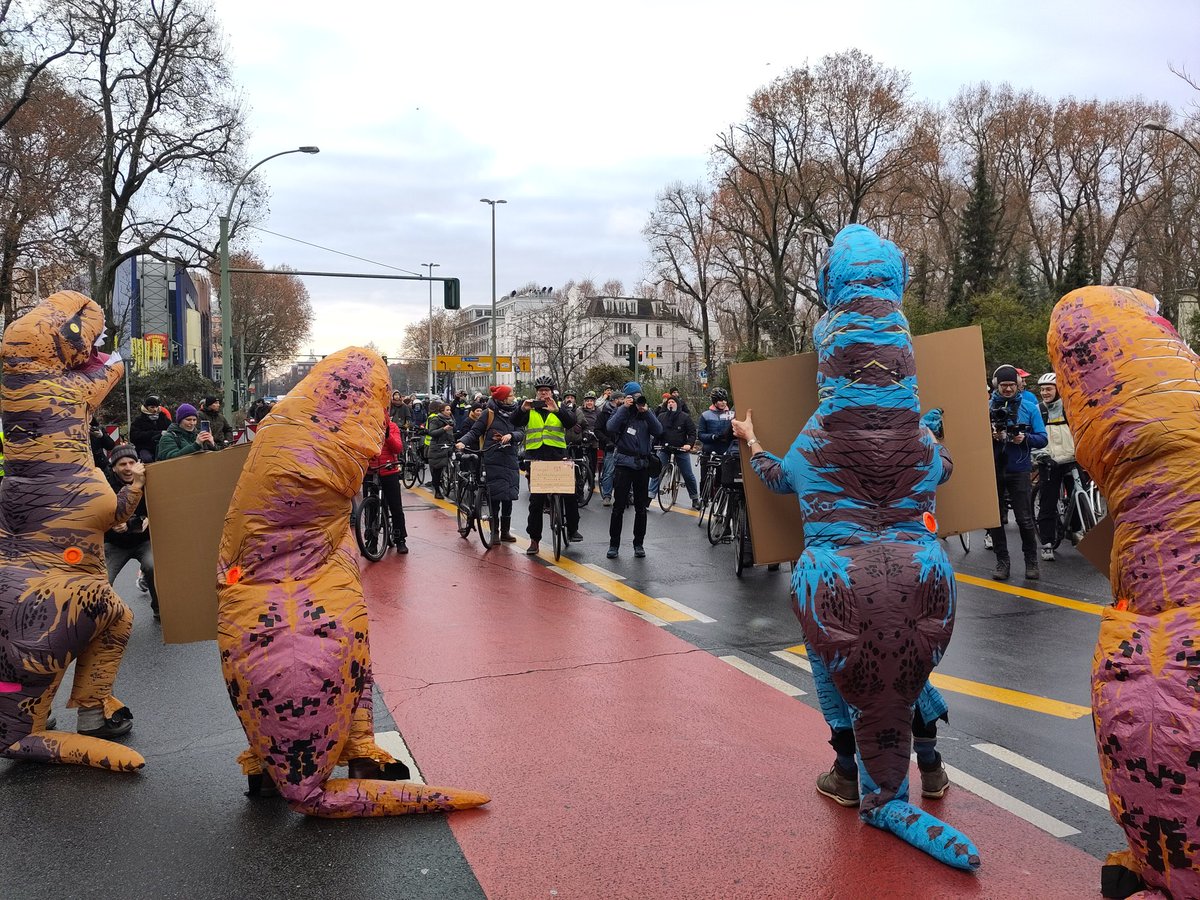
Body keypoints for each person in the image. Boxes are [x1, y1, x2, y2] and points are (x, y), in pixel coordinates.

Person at [987, 364, 1047, 581]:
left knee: (1024, 518)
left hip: (1019, 468)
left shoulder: (1029, 407)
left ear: (1019, 385)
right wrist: (990, 436)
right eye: (1004, 385)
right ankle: (1002, 561)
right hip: (993, 468)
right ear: (996, 385)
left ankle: (1031, 561)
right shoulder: (986, 407)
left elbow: (1043, 437)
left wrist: (1025, 439)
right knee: (994, 519)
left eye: (1012, 385)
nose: (1008, 389)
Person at [515, 375, 581, 554]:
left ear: (552, 392)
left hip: (558, 456)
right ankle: (534, 540)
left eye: (547, 390)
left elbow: (571, 423)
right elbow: (514, 422)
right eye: (540, 391)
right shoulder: (529, 408)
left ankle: (573, 529)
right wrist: (522, 410)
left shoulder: (560, 407)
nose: (543, 393)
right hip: (536, 458)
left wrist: (557, 410)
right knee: (536, 502)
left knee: (569, 494)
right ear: (536, 393)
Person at [455, 384, 523, 543]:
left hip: (510, 458)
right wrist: (462, 442)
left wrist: (512, 435)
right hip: (493, 459)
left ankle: (505, 532)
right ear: (503, 398)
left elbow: (521, 432)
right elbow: (474, 432)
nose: (513, 397)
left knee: (509, 497)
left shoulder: (516, 412)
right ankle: (494, 532)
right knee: (495, 497)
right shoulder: (488, 413)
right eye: (511, 394)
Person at [605, 381, 663, 558]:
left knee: (640, 508)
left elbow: (659, 430)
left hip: (642, 465)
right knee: (619, 507)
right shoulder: (621, 412)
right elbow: (610, 427)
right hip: (623, 464)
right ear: (627, 398)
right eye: (633, 397)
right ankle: (614, 545)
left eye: (638, 396)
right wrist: (624, 408)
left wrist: (646, 412)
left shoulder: (646, 413)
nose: (637, 400)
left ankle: (639, 544)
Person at [104, 446, 158, 617]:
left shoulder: (150, 480)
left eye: (131, 462)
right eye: (122, 464)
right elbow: (102, 517)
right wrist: (113, 526)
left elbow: (158, 509)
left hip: (143, 541)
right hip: (114, 543)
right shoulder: (105, 486)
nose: (128, 468)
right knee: (101, 579)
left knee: (152, 566)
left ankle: (159, 608)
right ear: (114, 467)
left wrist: (142, 521)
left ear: (138, 464)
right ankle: (102, 616)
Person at [1034, 372, 1077, 562]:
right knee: (1048, 503)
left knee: (1078, 495)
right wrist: (1041, 456)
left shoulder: (1070, 409)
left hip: (1072, 458)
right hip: (1049, 462)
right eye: (1042, 389)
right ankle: (1047, 543)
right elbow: (1034, 437)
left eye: (1048, 389)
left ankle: (1076, 531)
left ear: (1058, 390)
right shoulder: (1039, 411)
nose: (1045, 392)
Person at [649, 396, 700, 508]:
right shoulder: (662, 417)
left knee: (687, 474)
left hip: (681, 449)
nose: (670, 404)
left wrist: (688, 444)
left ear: (677, 404)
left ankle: (695, 498)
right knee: (657, 471)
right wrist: (654, 446)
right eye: (669, 402)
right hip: (665, 448)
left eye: (673, 402)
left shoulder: (685, 417)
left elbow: (692, 433)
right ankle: (649, 496)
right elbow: (657, 432)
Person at [368, 416, 408, 554]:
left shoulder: (392, 427)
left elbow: (397, 448)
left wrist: (387, 435)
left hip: (389, 470)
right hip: (371, 471)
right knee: (371, 509)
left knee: (395, 507)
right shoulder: (366, 425)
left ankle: (400, 539)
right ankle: (371, 540)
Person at [698, 387, 736, 490]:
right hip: (709, 450)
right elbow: (700, 435)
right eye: (720, 400)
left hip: (724, 450)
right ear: (714, 402)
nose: (723, 402)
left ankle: (718, 494)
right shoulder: (705, 415)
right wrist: (713, 437)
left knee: (722, 479)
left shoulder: (731, 415)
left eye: (724, 400)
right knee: (704, 478)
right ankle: (703, 499)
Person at [596, 389, 624, 505]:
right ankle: (607, 495)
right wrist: (607, 441)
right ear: (616, 400)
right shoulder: (604, 413)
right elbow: (597, 430)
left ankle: (626, 495)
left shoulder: (625, 412)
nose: (623, 401)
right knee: (609, 472)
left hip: (623, 447)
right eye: (622, 399)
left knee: (624, 473)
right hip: (611, 447)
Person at [423, 401, 456, 500]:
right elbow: (432, 432)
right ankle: (437, 490)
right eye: (447, 410)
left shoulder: (451, 419)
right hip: (438, 446)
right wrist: (444, 429)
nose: (449, 412)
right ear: (441, 411)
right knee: (437, 470)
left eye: (450, 410)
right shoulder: (435, 419)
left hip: (449, 445)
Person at [130, 394, 169, 462]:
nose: (155, 409)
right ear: (146, 407)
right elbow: (133, 437)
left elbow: (171, 428)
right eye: (152, 407)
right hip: (145, 448)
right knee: (147, 459)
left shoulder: (163, 418)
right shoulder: (139, 420)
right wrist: (157, 433)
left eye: (156, 407)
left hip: (162, 447)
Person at [579, 391, 600, 485]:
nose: (589, 403)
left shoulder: (598, 411)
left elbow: (600, 424)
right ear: (584, 402)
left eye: (591, 401)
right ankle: (580, 478)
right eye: (587, 401)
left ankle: (591, 480)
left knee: (593, 461)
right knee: (581, 460)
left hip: (594, 440)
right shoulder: (580, 411)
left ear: (594, 402)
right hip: (583, 438)